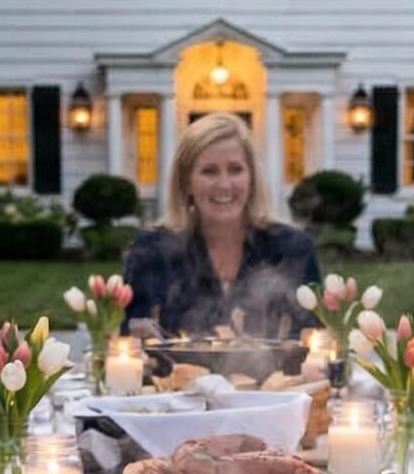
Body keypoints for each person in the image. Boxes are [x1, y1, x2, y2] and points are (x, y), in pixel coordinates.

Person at [122, 112, 323, 338]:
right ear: (186, 182)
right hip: (176, 374)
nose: (224, 184)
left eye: (235, 170)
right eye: (209, 171)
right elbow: (130, 344)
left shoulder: (292, 248)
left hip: (279, 374)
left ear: (251, 177)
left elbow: (312, 338)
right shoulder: (152, 251)